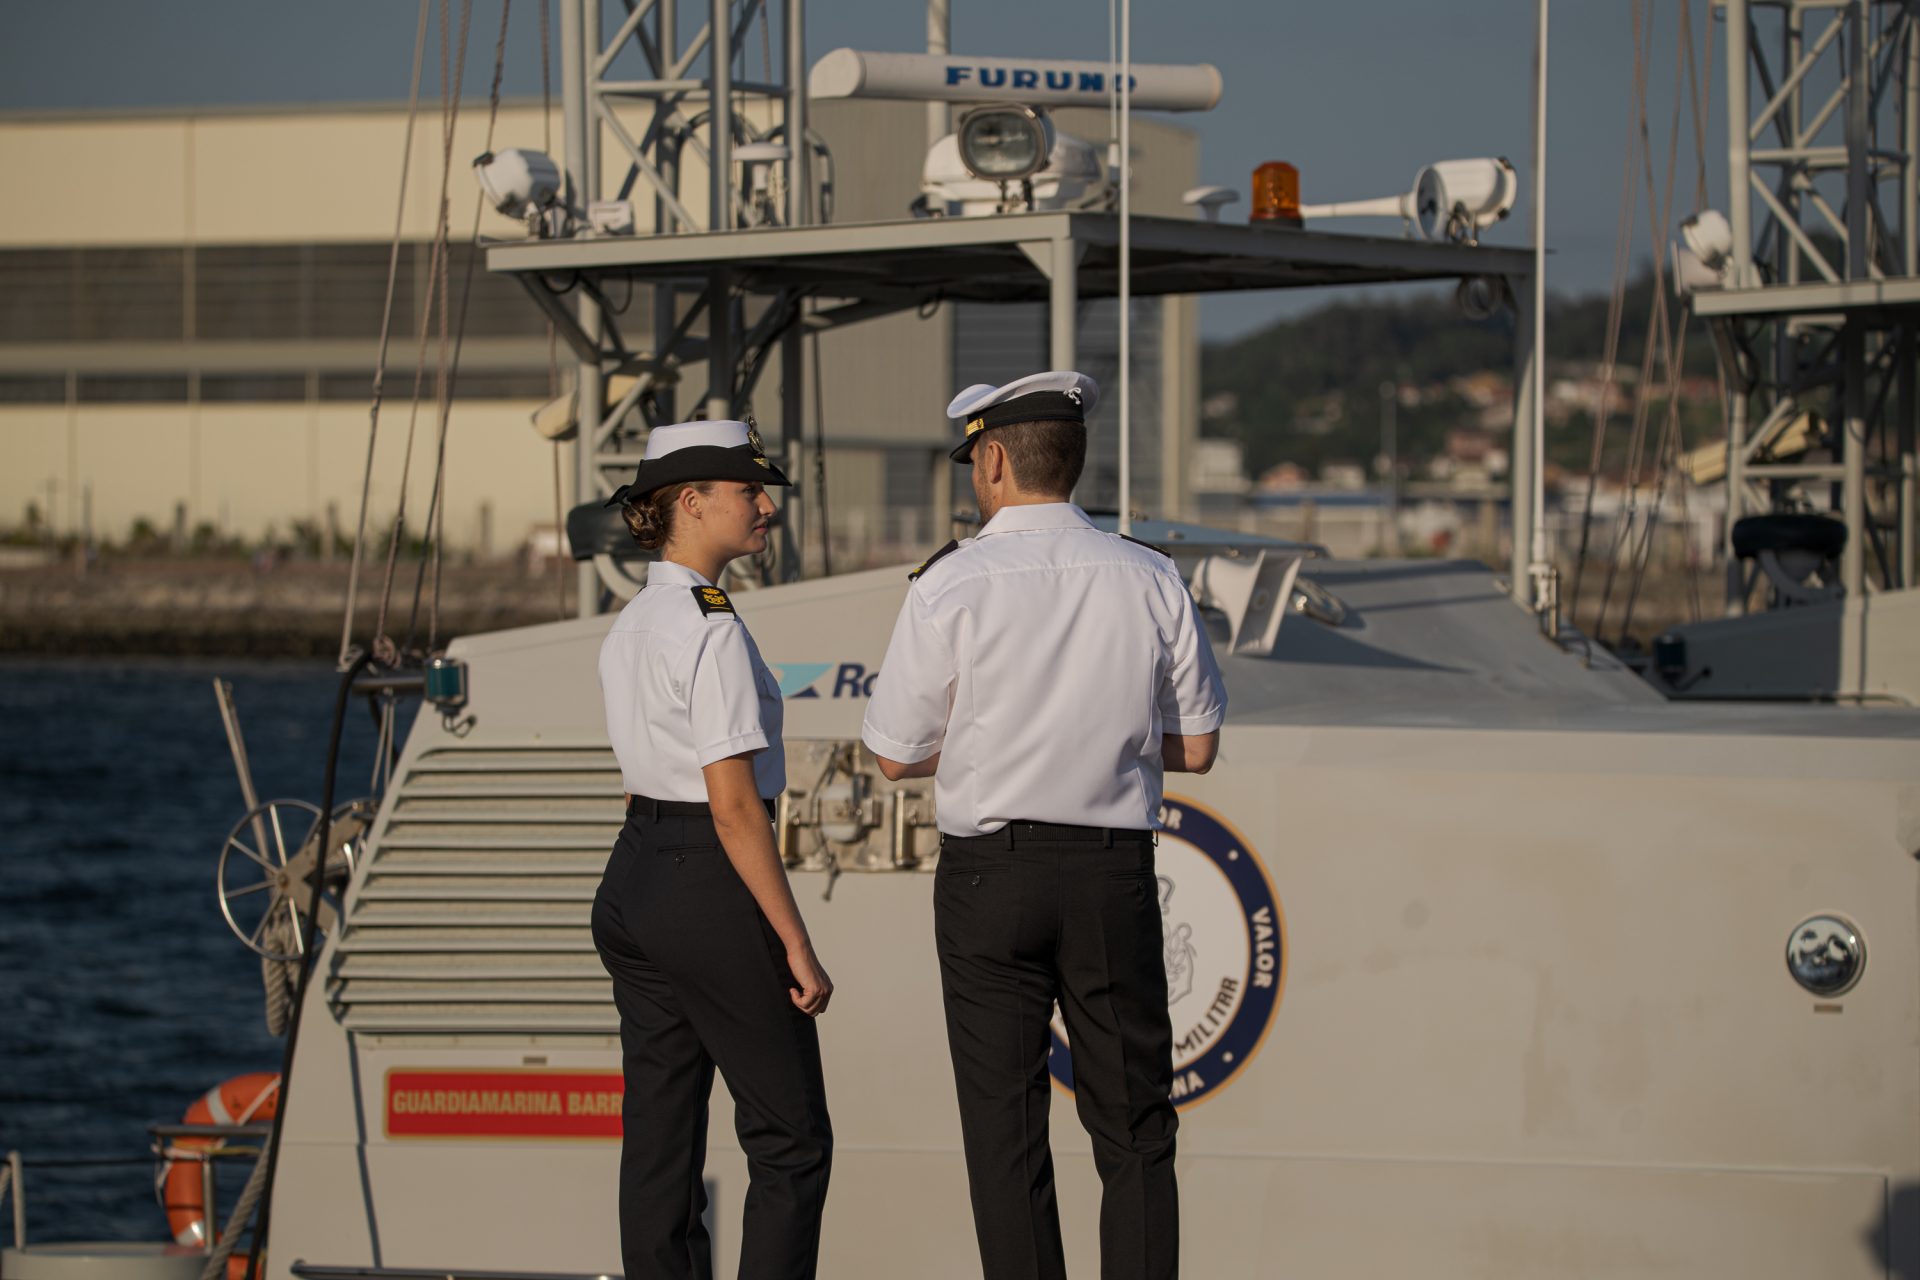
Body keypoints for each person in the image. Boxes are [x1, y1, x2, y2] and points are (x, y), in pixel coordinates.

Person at [860, 372, 1227, 1280]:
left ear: (991, 461)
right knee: (1134, 1127)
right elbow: (1200, 747)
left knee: (1005, 1131)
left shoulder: (949, 584)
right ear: (1072, 463)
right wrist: (1105, 746)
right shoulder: (1149, 576)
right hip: (1109, 875)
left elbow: (896, 756)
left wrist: (998, 744)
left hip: (992, 877)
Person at [590, 418, 833, 1280]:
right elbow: (734, 807)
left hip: (637, 876)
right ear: (692, 504)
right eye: (749, 493)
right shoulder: (711, 626)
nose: (766, 508)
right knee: (792, 1141)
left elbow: (637, 775)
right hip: (708, 880)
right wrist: (795, 945)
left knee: (660, 1139)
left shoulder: (635, 621)